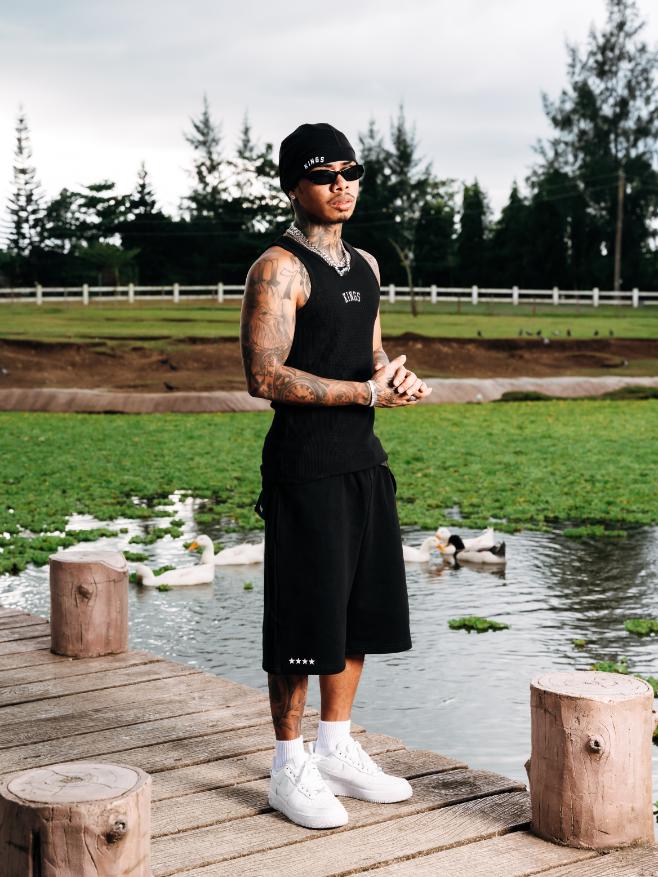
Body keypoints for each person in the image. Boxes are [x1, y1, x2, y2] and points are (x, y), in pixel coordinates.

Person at [240, 121, 433, 830]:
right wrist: (366, 393)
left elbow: (370, 355)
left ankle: (335, 746)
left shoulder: (368, 265)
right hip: (305, 467)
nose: (341, 185)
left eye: (351, 172)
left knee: (354, 613)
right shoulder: (277, 269)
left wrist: (395, 377)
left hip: (363, 461)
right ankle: (287, 764)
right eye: (325, 175)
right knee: (304, 616)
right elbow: (265, 376)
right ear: (294, 186)